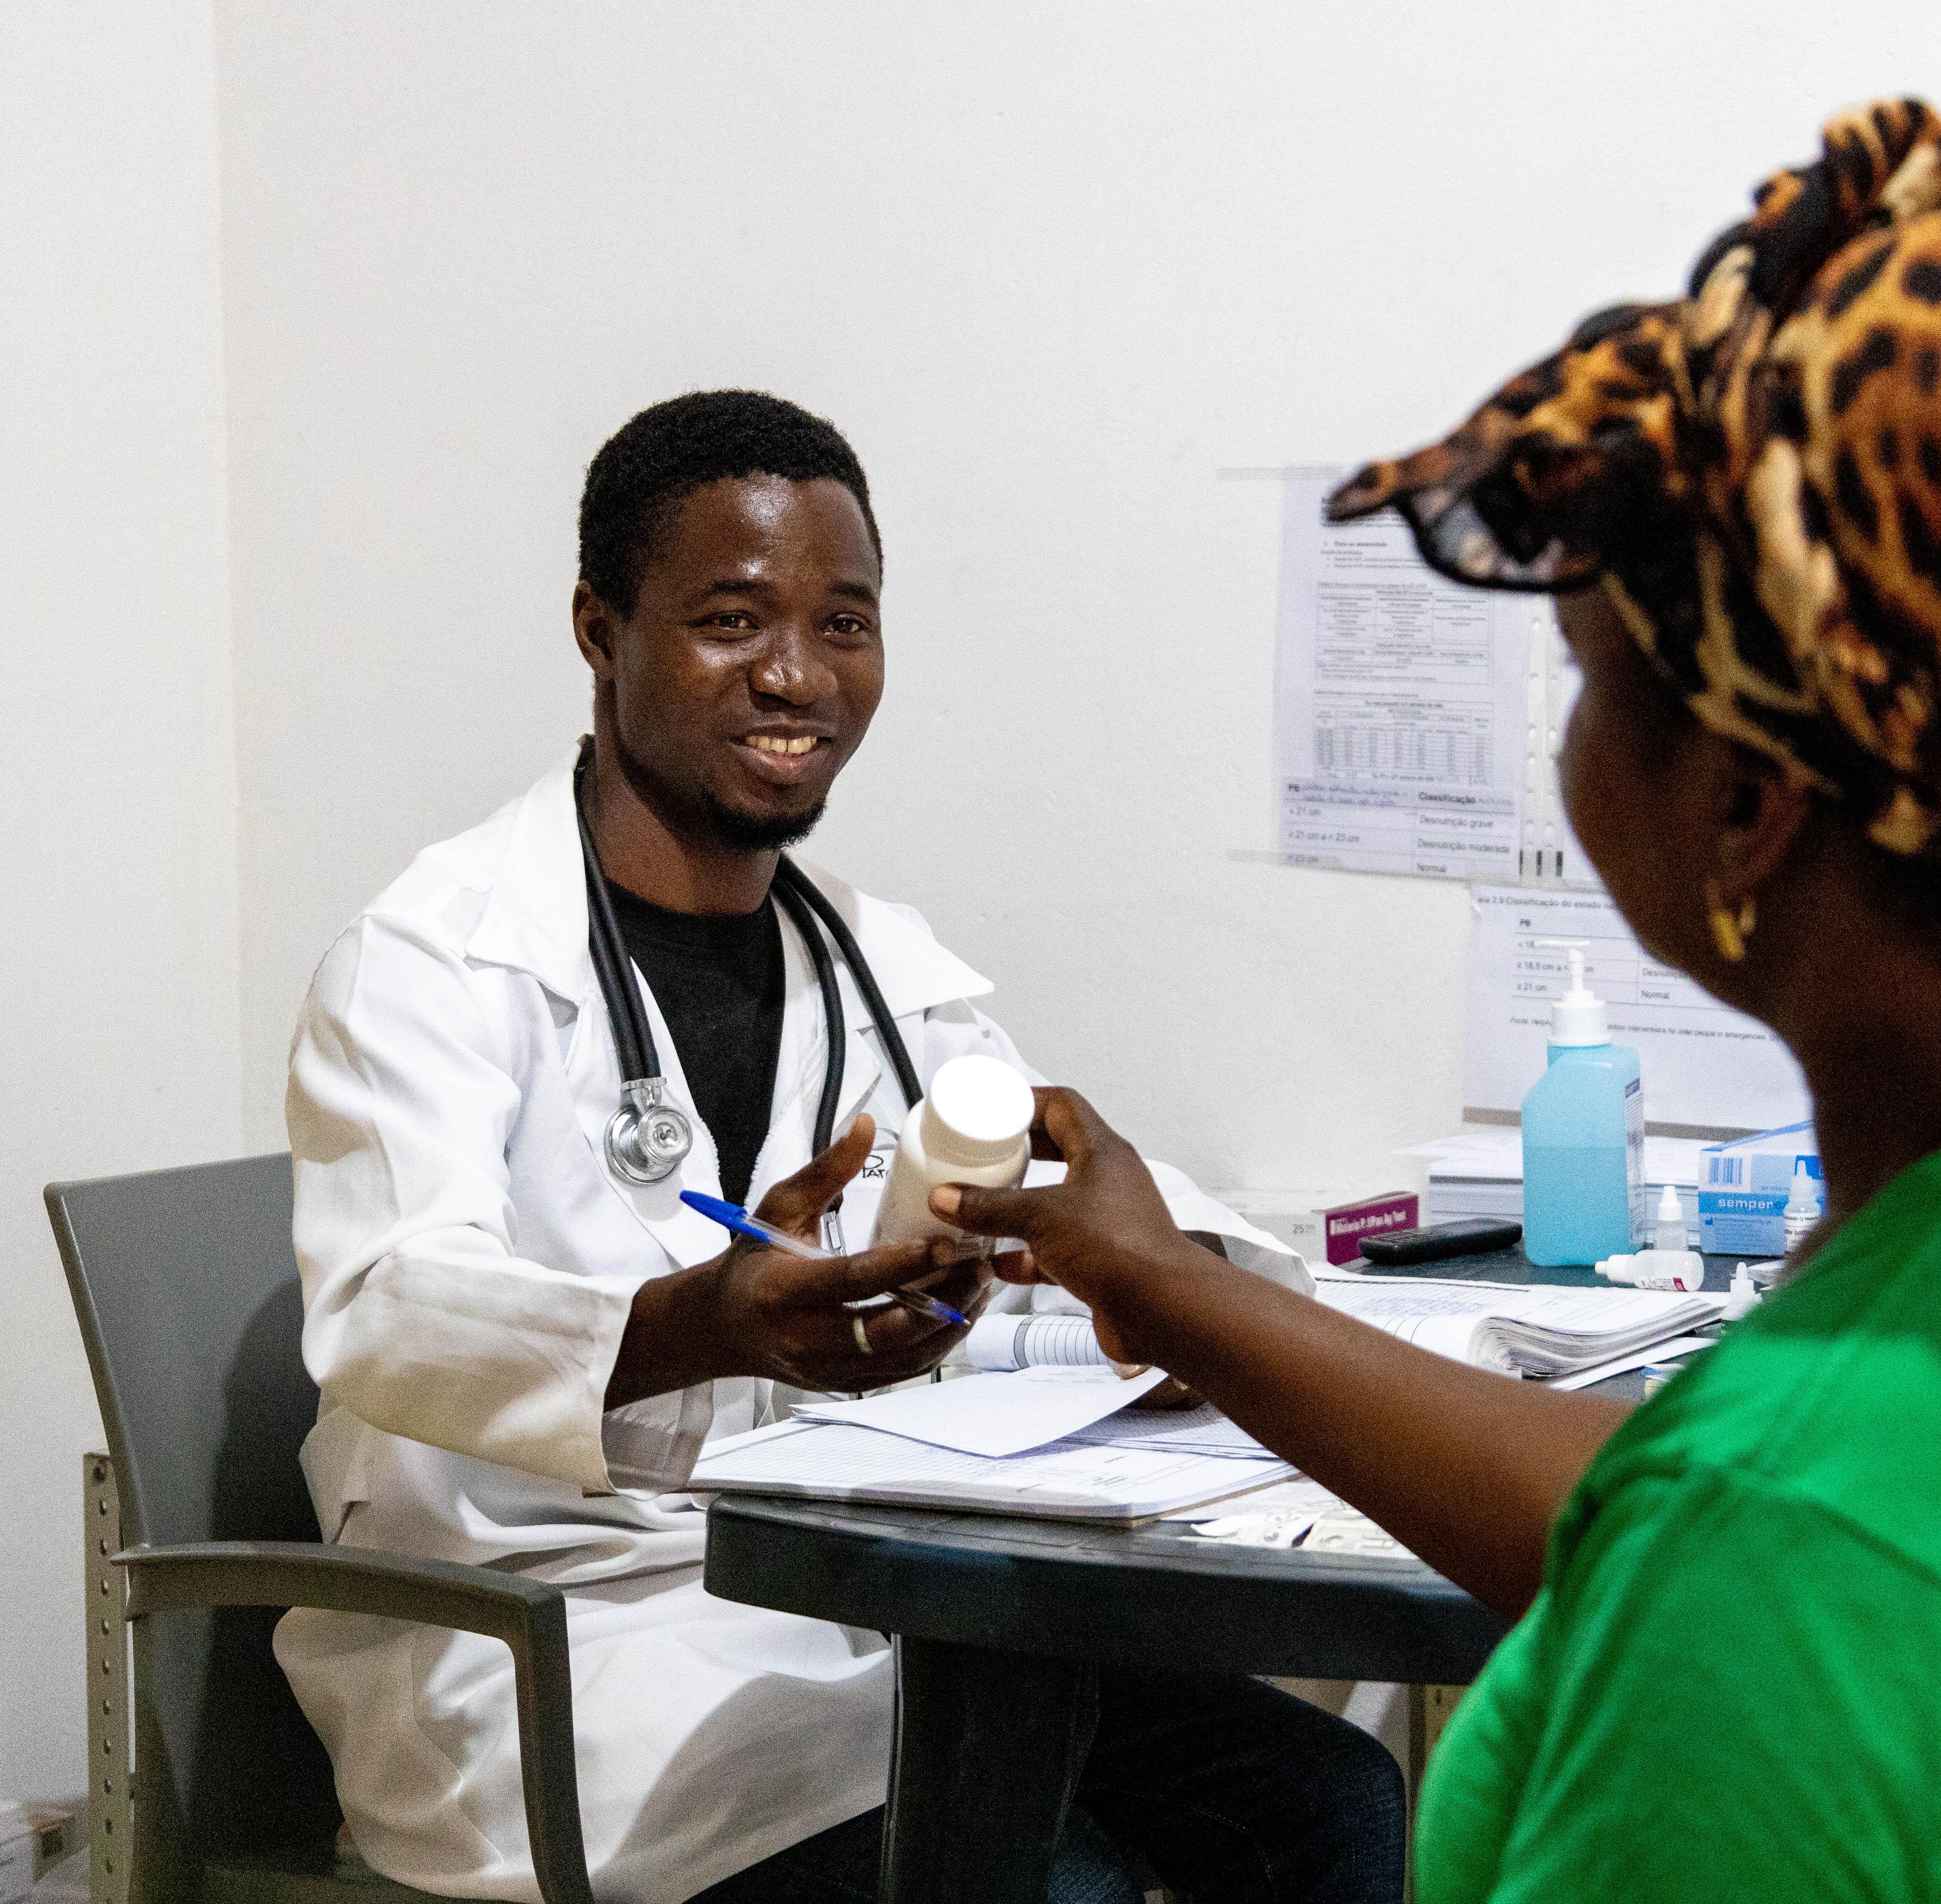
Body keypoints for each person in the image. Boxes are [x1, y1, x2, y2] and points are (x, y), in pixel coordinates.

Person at [932, 101, 1941, 1902]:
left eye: (1591, 676)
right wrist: (1169, 1292)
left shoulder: (1791, 1582)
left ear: (1752, 804)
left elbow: (1772, 1562)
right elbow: (1692, 1506)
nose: (1571, 751)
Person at [277, 390, 1404, 1904]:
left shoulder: (879, 965)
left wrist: (1177, 1284)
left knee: (1334, 1798)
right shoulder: (439, 960)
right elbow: (387, 1309)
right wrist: (704, 1320)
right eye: (732, 621)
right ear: (600, 632)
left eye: (845, 623)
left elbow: (1077, 1200)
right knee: (1035, 1881)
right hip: (561, 1640)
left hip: (839, 1610)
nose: (797, 675)